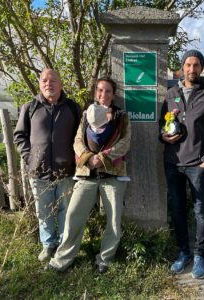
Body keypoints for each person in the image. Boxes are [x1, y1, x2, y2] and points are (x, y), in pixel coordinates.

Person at [48, 77, 131, 274]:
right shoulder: (86, 115)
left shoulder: (122, 116)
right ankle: (62, 260)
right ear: (96, 93)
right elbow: (77, 140)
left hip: (112, 175)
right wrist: (88, 158)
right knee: (73, 215)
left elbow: (125, 142)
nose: (103, 95)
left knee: (113, 220)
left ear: (113, 94)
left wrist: (101, 158)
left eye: (108, 91)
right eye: (100, 90)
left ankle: (104, 259)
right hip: (87, 175)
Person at [159, 50, 204, 279]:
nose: (191, 69)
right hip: (173, 163)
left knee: (200, 211)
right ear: (181, 67)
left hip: (198, 165)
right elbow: (162, 125)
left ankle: (200, 254)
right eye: (188, 64)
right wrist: (163, 136)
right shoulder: (171, 94)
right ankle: (183, 253)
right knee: (178, 210)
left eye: (196, 65)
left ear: (202, 68)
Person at [14, 69, 81, 262]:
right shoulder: (30, 107)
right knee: (44, 212)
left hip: (65, 171)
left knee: (65, 210)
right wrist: (31, 158)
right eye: (44, 80)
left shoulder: (72, 108)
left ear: (60, 84)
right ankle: (48, 244)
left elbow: (80, 137)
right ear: (39, 84)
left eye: (53, 80)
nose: (48, 84)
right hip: (39, 172)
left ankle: (63, 244)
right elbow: (19, 136)